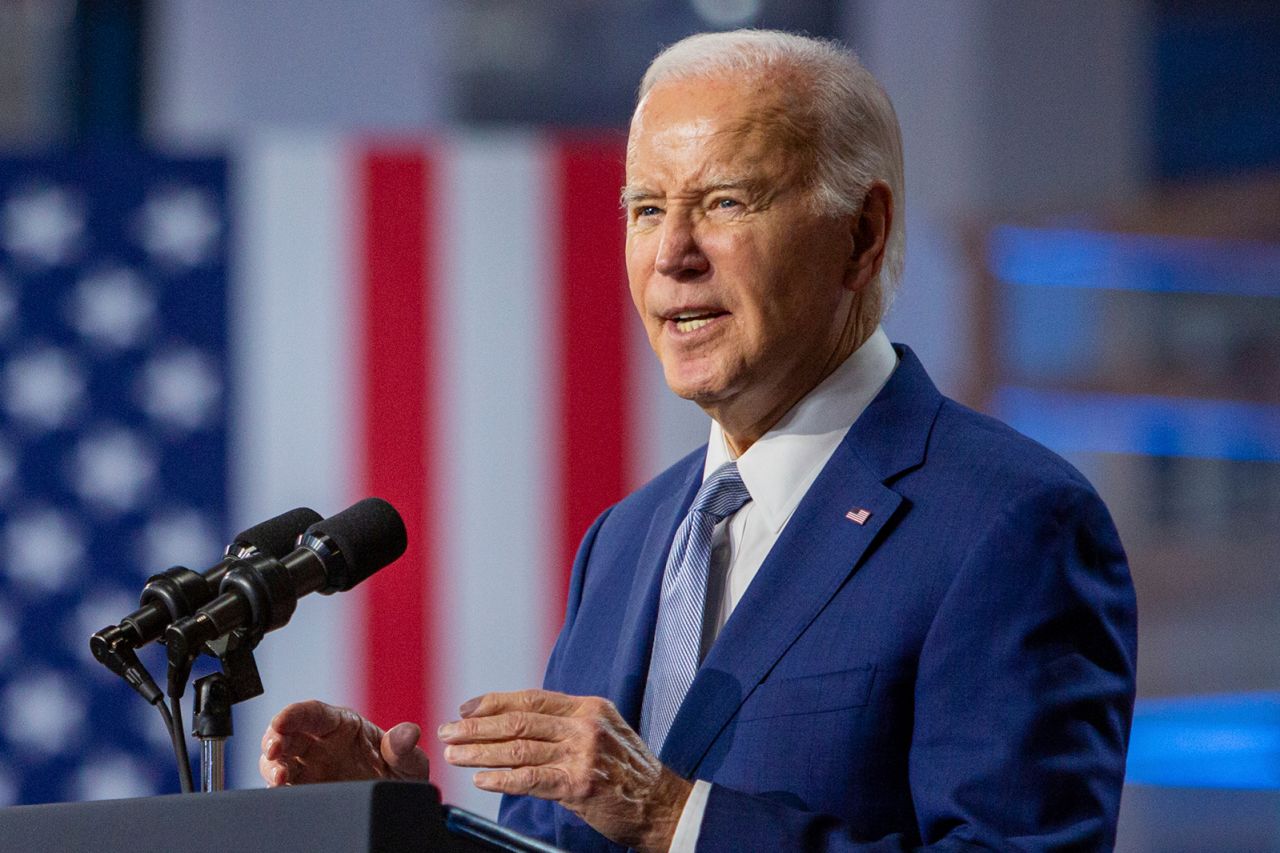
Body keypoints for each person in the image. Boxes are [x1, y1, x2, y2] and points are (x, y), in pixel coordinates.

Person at [259, 30, 1137, 852]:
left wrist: (671, 814)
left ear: (862, 235)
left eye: (725, 201)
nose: (673, 252)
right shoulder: (627, 538)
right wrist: (406, 823)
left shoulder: (1010, 523)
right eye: (645, 208)